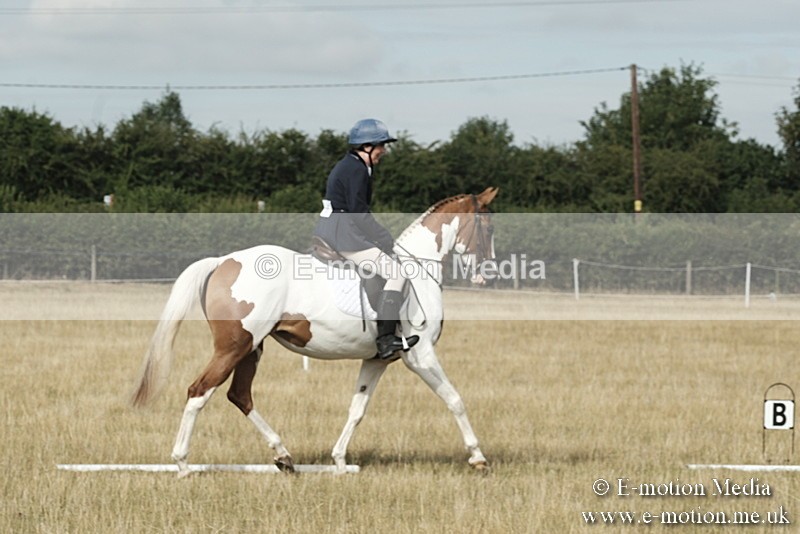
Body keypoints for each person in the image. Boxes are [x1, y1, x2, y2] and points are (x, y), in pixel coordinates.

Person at [313, 118, 419, 359]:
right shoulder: (356, 169)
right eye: (381, 145)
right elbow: (358, 212)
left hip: (337, 227)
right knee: (397, 273)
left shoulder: (352, 165)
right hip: (344, 231)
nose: (384, 150)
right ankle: (386, 340)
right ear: (367, 146)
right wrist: (383, 236)